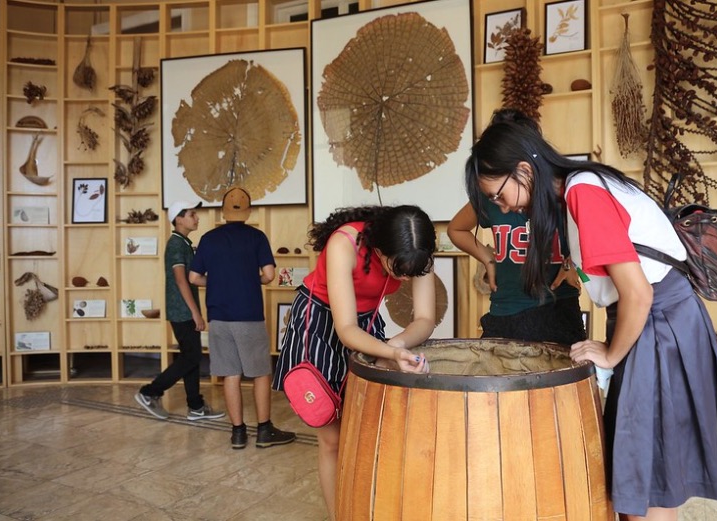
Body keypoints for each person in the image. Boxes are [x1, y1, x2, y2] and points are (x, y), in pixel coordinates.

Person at [463, 109, 717, 521]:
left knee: (645, 486)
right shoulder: (579, 188)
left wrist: (611, 355)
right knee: (643, 480)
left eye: (498, 194)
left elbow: (639, 293)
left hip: (658, 323)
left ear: (524, 172)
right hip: (658, 321)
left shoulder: (583, 193)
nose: (500, 206)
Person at [272, 205, 435, 520]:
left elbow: (426, 318)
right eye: (397, 269)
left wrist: (396, 346)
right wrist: (390, 354)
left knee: (369, 423)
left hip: (364, 319)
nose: (403, 277)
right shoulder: (344, 243)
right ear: (377, 249)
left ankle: (366, 504)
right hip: (320, 317)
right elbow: (345, 330)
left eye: (410, 272)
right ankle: (339, 515)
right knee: (331, 436)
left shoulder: (418, 255)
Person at [448, 111, 584, 344]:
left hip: (558, 308)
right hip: (505, 310)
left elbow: (594, 240)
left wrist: (575, 265)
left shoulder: (565, 192)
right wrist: (487, 258)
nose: (502, 205)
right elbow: (456, 229)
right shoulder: (492, 196)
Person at [189, 187, 295, 450]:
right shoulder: (257, 237)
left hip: (219, 318)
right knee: (260, 373)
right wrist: (250, 280)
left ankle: (237, 433)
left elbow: (193, 278)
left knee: (230, 373)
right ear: (248, 211)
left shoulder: (209, 238)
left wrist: (216, 283)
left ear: (223, 211)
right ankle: (263, 430)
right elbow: (269, 275)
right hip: (249, 316)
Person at [135, 201, 225, 422]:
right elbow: (181, 280)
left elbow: (193, 280)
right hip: (182, 311)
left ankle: (195, 406)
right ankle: (150, 392)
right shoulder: (176, 245)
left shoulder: (183, 243)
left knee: (190, 356)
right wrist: (196, 313)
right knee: (192, 356)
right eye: (193, 214)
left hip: (184, 310)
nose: (197, 218)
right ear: (179, 219)